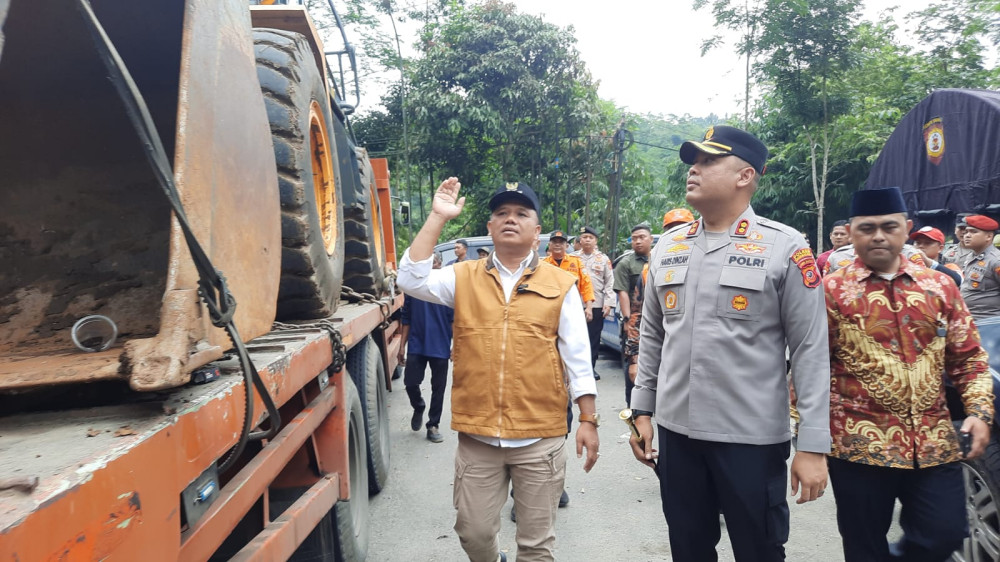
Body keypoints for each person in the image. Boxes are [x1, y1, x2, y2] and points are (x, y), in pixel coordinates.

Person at [629, 125, 831, 561]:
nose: (693, 170)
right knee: (688, 548)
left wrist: (812, 445)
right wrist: (641, 412)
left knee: (758, 549)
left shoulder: (785, 248)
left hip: (751, 441)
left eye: (707, 161)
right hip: (678, 435)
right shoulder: (669, 248)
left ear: (745, 176)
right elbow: (652, 335)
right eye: (693, 162)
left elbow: (811, 348)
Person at [396, 178, 599, 562]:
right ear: (490, 227)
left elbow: (577, 357)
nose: (510, 219)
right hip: (479, 437)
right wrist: (438, 217)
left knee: (537, 547)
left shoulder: (561, 284)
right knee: (473, 535)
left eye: (522, 213)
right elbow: (409, 278)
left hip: (540, 437)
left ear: (537, 231)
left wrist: (588, 419)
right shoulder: (462, 277)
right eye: (501, 213)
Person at [823, 187, 993, 561]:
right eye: (867, 228)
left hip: (934, 442)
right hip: (858, 445)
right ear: (851, 233)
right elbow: (811, 365)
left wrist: (980, 413)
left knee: (944, 532)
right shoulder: (831, 291)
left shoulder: (940, 286)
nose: (878, 235)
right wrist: (808, 441)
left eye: (888, 226)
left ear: (906, 228)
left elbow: (968, 358)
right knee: (863, 546)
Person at [397, 252, 455, 443]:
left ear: (440, 265)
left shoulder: (448, 289)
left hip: (440, 346)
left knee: (438, 388)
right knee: (410, 383)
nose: (432, 268)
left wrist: (457, 345)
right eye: (429, 264)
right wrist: (401, 346)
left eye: (435, 264)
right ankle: (419, 406)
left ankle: (433, 425)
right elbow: (406, 318)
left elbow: (454, 320)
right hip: (417, 344)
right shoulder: (414, 289)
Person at [613, 223, 653, 405]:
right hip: (635, 321)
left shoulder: (660, 259)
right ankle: (633, 407)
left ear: (651, 239)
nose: (637, 241)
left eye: (641, 237)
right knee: (632, 366)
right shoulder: (626, 263)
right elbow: (622, 293)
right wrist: (628, 320)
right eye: (634, 238)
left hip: (656, 322)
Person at [573, 226, 615, 378]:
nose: (587, 240)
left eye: (590, 237)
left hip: (597, 304)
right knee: (576, 337)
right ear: (580, 240)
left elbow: (609, 282)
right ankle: (576, 369)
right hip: (576, 304)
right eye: (584, 237)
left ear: (595, 240)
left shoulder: (603, 259)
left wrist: (609, 303)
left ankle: (591, 367)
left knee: (593, 337)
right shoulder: (573, 258)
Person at [542, 230, 595, 324]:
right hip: (548, 309)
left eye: (561, 242)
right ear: (549, 245)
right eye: (554, 242)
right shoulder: (543, 264)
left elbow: (586, 285)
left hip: (571, 308)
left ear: (566, 246)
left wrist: (589, 307)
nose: (557, 245)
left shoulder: (576, 262)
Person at [959, 214, 1000, 321]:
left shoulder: (996, 260)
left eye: (973, 232)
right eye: (966, 231)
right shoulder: (971, 256)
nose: (967, 235)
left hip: (989, 323)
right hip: (970, 319)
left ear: (989, 237)